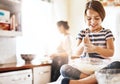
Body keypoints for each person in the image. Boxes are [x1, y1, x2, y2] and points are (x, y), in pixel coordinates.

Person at [60, 1, 115, 84]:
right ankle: (92, 80)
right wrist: (83, 44)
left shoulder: (107, 32)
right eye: (89, 19)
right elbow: (76, 53)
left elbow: (111, 52)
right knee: (64, 68)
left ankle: (82, 82)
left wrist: (95, 48)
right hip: (84, 68)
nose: (93, 22)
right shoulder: (82, 33)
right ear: (85, 18)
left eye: (96, 18)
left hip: (101, 67)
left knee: (117, 64)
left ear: (102, 18)